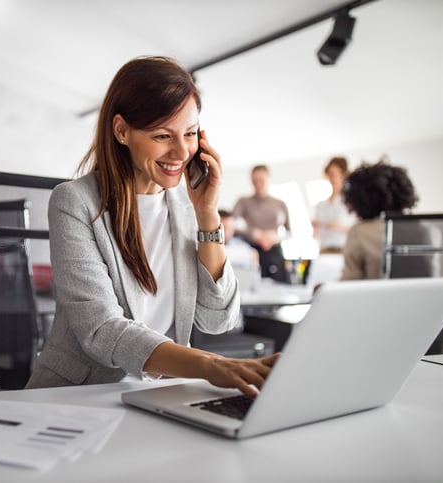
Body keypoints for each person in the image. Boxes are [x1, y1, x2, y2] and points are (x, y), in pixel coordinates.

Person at [25, 56, 279, 397]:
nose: (181, 151)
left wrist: (207, 214)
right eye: (162, 135)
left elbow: (219, 320)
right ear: (121, 131)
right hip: (83, 395)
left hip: (165, 394)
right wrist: (210, 365)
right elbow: (101, 330)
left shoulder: (188, 205)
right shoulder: (74, 202)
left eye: (190, 134)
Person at [341, 160, 443, 352]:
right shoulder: (429, 229)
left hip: (389, 332)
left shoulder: (360, 232)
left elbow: (348, 288)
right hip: (438, 330)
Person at [232, 165, 291, 283]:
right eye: (255, 180)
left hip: (275, 251)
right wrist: (254, 234)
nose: (258, 183)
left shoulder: (280, 204)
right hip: (253, 251)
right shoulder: (243, 201)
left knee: (280, 286)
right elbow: (231, 226)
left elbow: (289, 232)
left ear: (269, 179)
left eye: (262, 180)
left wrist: (275, 237)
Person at [312, 156, 356, 253]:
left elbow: (357, 231)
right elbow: (316, 236)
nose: (331, 178)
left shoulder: (351, 203)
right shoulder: (320, 205)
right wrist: (315, 229)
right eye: (329, 174)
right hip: (324, 250)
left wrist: (336, 227)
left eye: (334, 174)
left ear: (343, 175)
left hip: (344, 250)